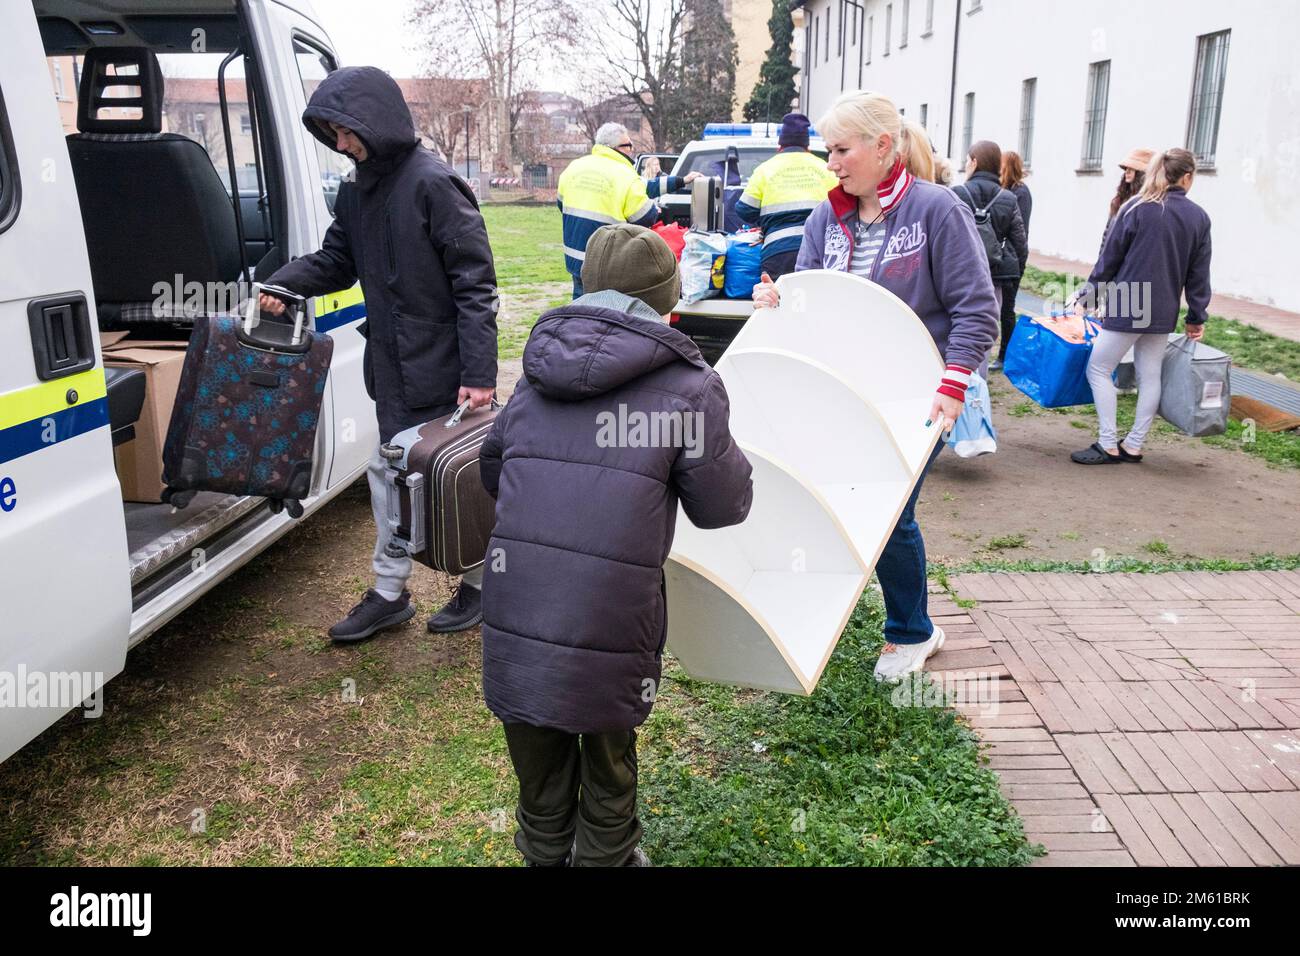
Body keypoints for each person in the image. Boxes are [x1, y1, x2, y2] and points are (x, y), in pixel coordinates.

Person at [478, 223, 753, 866]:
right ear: (667, 302)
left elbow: (495, 472)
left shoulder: (535, 372)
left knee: (538, 761)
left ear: (586, 287)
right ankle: (609, 857)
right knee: (608, 761)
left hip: (518, 603)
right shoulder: (690, 387)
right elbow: (724, 506)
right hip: (611, 612)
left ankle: (545, 854)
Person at [751, 90, 998, 682]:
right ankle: (854, 618)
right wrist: (777, 299)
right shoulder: (824, 218)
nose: (830, 163)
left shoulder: (938, 210)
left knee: (888, 511)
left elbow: (978, 309)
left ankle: (911, 633)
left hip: (921, 396)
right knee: (851, 504)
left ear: (883, 147)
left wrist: (953, 385)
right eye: (827, 150)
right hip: (845, 394)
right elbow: (812, 299)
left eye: (841, 149)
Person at [256, 67, 498, 643]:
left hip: (441, 364)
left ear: (375, 121)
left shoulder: (433, 184)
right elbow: (336, 260)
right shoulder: (358, 188)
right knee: (396, 475)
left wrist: (479, 374)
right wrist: (282, 283)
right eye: (333, 134)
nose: (340, 145)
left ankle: (477, 585)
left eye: (345, 132)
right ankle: (395, 593)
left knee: (448, 474)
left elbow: (476, 284)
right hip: (390, 366)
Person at [1070, 148, 1211, 466]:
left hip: (1129, 300)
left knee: (1099, 369)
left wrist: (1089, 296)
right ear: (1187, 177)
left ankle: (1108, 443)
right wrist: (1196, 316)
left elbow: (1110, 258)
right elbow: (1198, 273)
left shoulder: (1136, 207)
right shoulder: (1199, 217)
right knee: (1150, 375)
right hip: (1164, 306)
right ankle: (1133, 445)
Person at [557, 123, 661, 298]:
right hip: (607, 263)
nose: (631, 149)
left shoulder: (575, 167)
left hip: (575, 258)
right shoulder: (626, 175)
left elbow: (562, 204)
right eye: (628, 145)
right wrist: (654, 210)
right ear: (616, 148)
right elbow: (644, 217)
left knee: (580, 312)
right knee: (607, 316)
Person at [954, 140, 1028, 373]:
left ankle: (957, 377)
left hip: (961, 276)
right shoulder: (1008, 198)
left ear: (974, 162)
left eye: (967, 160)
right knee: (985, 330)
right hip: (995, 274)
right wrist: (1016, 276)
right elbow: (1020, 243)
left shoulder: (958, 194)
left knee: (959, 328)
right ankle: (979, 384)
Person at [735, 113, 838, 279]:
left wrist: (766, 222)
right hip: (820, 251)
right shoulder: (826, 169)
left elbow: (744, 209)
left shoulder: (765, 169)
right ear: (808, 148)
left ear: (779, 146)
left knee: (777, 302)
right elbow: (844, 207)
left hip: (777, 252)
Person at [993, 150, 1033, 369]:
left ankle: (1006, 354)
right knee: (1001, 309)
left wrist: (1020, 262)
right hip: (1002, 258)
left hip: (1011, 259)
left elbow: (1021, 229)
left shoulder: (1020, 193)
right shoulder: (1004, 191)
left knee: (1007, 309)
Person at [1099, 147, 1154, 256]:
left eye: (1132, 168)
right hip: (1111, 260)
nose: (1127, 172)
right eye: (1126, 168)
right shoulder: (1119, 199)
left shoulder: (1147, 203)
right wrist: (1100, 260)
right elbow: (1107, 234)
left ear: (1141, 173)